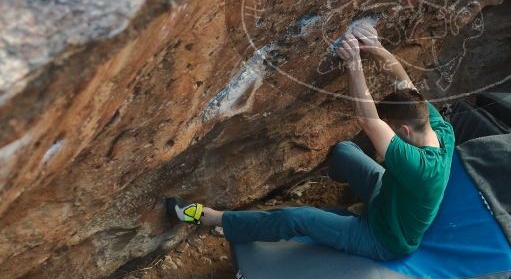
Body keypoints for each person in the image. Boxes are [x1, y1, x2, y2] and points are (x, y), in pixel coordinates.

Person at [168, 19, 455, 261]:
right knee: (344, 151)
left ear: (404, 131)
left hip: (383, 239)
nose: (388, 132)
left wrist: (353, 62)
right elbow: (404, 83)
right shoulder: (438, 129)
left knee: (297, 218)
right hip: (388, 199)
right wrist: (376, 47)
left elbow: (368, 120)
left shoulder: (419, 167)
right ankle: (345, 208)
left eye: (391, 129)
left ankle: (212, 218)